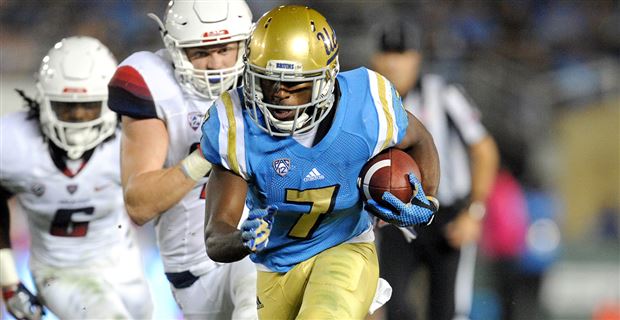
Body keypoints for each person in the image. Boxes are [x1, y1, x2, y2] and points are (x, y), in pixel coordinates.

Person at [200, 5, 441, 320]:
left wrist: (428, 198)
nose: (279, 94)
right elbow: (216, 234)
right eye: (268, 81)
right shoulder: (237, 127)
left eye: (293, 84)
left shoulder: (365, 109)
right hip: (275, 269)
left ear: (326, 80)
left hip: (346, 247)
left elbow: (420, 139)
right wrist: (240, 239)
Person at [107, 1, 256, 318]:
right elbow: (139, 204)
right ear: (174, 47)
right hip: (196, 269)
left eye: (225, 48)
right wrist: (206, 155)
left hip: (260, 246)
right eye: (200, 52)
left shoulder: (269, 78)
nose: (215, 64)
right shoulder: (155, 84)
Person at [0, 36, 153, 320]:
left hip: (124, 265)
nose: (78, 118)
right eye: (66, 107)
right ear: (44, 101)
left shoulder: (131, 138)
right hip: (58, 271)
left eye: (89, 106)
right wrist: (8, 279)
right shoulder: (14, 141)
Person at [370, 19, 500, 320]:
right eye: (387, 53)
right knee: (393, 305)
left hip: (446, 215)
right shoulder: (370, 102)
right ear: (376, 58)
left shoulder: (444, 94)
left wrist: (474, 211)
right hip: (393, 216)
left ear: (416, 57)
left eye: (401, 53)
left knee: (448, 310)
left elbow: (484, 150)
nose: (393, 62)